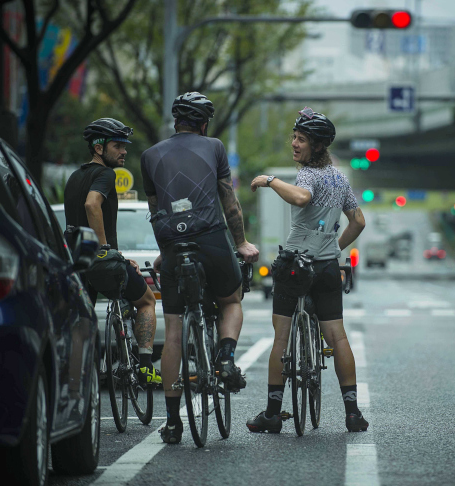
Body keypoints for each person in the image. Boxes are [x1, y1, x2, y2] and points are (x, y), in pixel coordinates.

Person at [141, 92, 259, 444]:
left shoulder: (148, 156)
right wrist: (241, 243)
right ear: (204, 123)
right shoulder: (215, 147)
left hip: (173, 244)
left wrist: (167, 250)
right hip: (210, 237)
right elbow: (229, 202)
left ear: (175, 122)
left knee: (174, 331)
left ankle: (174, 422)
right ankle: (224, 357)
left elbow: (156, 210)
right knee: (231, 299)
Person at [247, 107, 368, 433]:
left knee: (281, 340)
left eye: (301, 140)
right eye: (294, 137)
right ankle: (353, 413)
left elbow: (301, 198)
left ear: (316, 146)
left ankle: (273, 414)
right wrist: (334, 249)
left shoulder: (309, 175)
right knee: (338, 337)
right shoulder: (340, 177)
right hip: (327, 267)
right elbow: (358, 222)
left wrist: (271, 180)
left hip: (295, 266)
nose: (294, 144)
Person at [64, 118, 161, 386]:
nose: (124, 151)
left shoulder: (74, 177)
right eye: (117, 146)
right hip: (101, 262)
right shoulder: (106, 174)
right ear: (98, 148)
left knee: (81, 322)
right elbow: (92, 205)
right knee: (147, 301)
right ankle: (144, 366)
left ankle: (76, 380)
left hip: (77, 262)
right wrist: (105, 249)